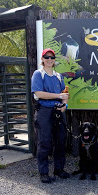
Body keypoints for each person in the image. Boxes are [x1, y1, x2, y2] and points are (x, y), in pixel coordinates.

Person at [31, 48, 70, 183]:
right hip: (44, 112)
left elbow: (65, 94)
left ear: (54, 60)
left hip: (58, 112)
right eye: (46, 57)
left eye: (52, 58)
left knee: (60, 141)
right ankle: (44, 172)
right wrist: (58, 96)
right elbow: (39, 94)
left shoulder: (59, 76)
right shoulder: (38, 74)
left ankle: (59, 169)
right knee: (44, 142)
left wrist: (65, 105)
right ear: (42, 59)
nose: (49, 60)